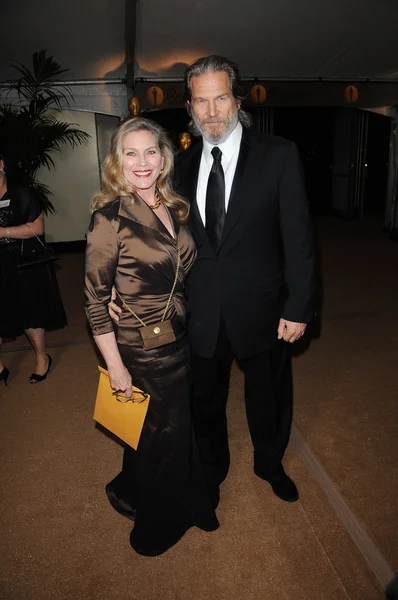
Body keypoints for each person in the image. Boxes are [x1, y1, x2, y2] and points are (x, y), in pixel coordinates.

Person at [110, 56, 316, 507]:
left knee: (269, 393)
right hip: (200, 308)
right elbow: (151, 237)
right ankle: (213, 468)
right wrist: (116, 287)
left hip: (264, 307)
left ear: (237, 100)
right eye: (200, 102)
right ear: (189, 106)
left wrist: (298, 305)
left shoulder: (278, 155)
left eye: (220, 98)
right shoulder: (177, 167)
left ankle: (269, 462)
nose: (211, 112)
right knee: (205, 400)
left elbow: (299, 238)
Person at [84, 117, 219, 557]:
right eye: (131, 153)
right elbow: (93, 300)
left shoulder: (173, 206)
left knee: (160, 430)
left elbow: (184, 269)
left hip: (177, 335)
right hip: (140, 347)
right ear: (117, 162)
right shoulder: (109, 218)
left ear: (164, 157)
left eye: (150, 152)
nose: (142, 162)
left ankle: (132, 490)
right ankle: (157, 526)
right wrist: (115, 366)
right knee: (166, 432)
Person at [0, 153, 67, 385]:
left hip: (23, 261)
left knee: (30, 314)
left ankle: (42, 358)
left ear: (1, 164)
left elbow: (37, 228)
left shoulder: (21, 193)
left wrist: (3, 232)